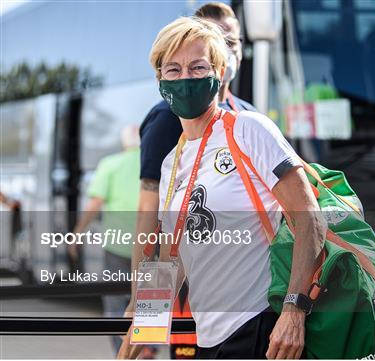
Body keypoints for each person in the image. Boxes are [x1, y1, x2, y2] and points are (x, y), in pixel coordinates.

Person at [117, 17, 326, 359]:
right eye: (173, 70)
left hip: (262, 326)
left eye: (198, 67)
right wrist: (146, 325)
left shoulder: (249, 130)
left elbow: (310, 219)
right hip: (209, 338)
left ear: (218, 72)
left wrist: (294, 310)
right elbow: (172, 256)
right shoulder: (173, 162)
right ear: (159, 79)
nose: (185, 79)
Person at [133, 3, 255, 358]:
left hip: (253, 303)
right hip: (194, 296)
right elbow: (151, 218)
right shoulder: (169, 118)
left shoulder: (249, 116)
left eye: (234, 40)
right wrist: (146, 315)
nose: (229, 48)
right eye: (219, 38)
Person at [69, 125, 155, 358]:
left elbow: (95, 203)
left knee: (116, 303)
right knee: (151, 299)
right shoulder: (156, 160)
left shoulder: (110, 164)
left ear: (123, 142)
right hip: (151, 247)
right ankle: (147, 347)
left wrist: (77, 233)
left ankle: (123, 352)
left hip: (117, 247)